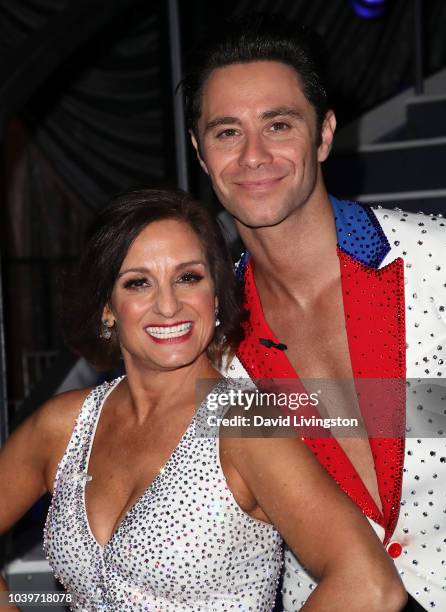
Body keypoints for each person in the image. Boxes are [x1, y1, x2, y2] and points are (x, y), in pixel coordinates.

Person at [0, 189, 406, 611]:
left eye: (187, 277)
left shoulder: (242, 419)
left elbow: (370, 584)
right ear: (108, 308)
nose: (168, 304)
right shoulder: (66, 424)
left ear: (214, 295)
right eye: (138, 283)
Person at [182, 13, 446, 612]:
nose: (253, 155)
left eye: (278, 124)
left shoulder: (435, 261)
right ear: (200, 153)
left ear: (324, 134)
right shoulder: (214, 352)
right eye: (226, 132)